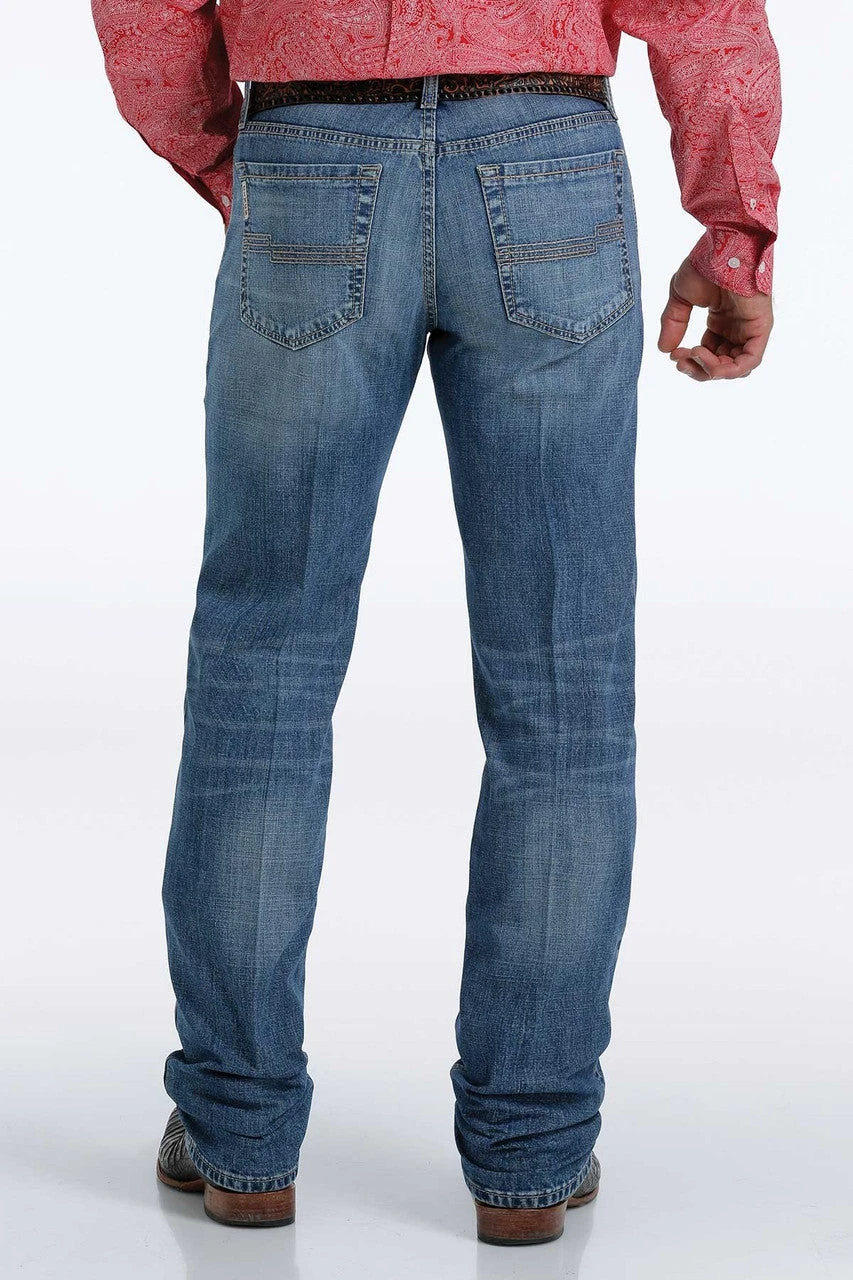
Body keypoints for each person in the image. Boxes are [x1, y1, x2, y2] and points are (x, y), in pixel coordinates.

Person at [91, 0, 781, 1244]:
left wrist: (223, 154)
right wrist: (732, 229)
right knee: (563, 685)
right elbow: (707, 12)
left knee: (261, 667)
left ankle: (241, 1135)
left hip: (308, 149)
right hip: (548, 159)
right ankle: (531, 1151)